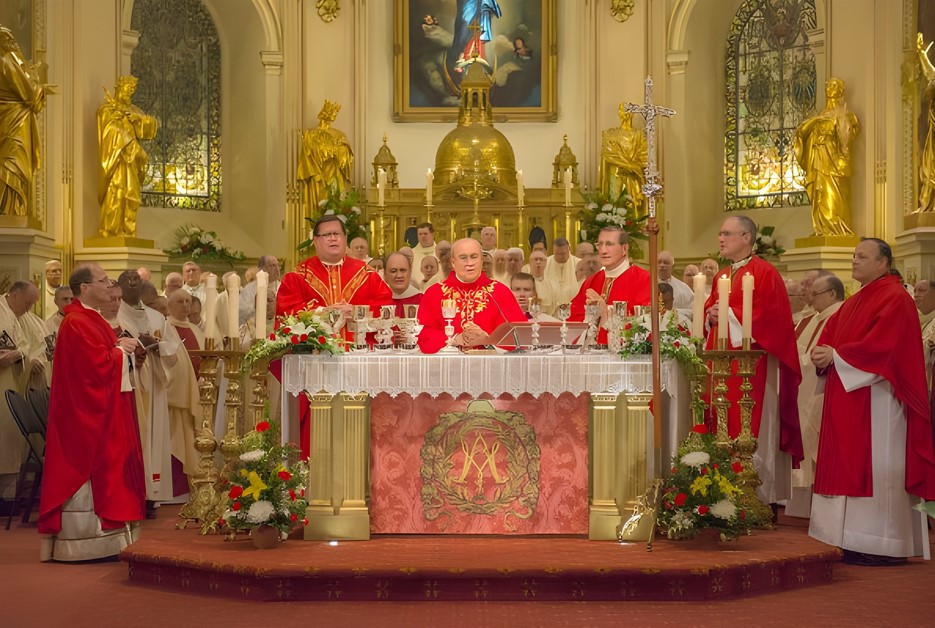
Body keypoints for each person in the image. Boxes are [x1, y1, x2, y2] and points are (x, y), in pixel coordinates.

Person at [808, 239, 935, 565]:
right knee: (850, 465)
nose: (854, 261)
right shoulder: (855, 301)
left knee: (877, 468)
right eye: (853, 255)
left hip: (880, 399)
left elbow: (886, 348)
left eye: (862, 256)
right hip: (849, 395)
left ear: (883, 262)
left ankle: (884, 545)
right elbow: (831, 337)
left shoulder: (896, 298)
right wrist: (823, 354)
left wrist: (837, 356)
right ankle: (850, 539)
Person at [38, 264, 145, 561]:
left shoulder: (92, 318)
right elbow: (93, 369)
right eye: (103, 281)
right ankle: (87, 544)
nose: (109, 286)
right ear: (84, 287)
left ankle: (112, 539)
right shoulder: (75, 322)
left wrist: (120, 348)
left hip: (100, 409)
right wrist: (120, 351)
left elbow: (101, 357)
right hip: (83, 415)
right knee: (93, 469)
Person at [704, 215, 803, 505]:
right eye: (720, 233)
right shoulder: (721, 276)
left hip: (753, 366)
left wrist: (727, 313)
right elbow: (709, 310)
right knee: (721, 419)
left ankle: (757, 495)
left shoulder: (765, 273)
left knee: (751, 420)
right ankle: (721, 489)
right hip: (721, 362)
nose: (721, 238)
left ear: (747, 237)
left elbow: (771, 319)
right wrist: (710, 315)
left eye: (727, 233)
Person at [785, 274, 845, 518]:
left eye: (815, 293)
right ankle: (801, 505)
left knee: (820, 446)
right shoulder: (809, 320)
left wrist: (800, 359)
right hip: (803, 391)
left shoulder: (842, 316)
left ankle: (824, 507)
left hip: (824, 391)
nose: (810, 298)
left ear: (832, 294)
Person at [277, 215, 393, 336]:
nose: (333, 238)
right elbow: (286, 312)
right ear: (315, 241)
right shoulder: (298, 276)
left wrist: (356, 311)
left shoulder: (367, 274)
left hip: (358, 345)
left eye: (337, 234)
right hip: (315, 346)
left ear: (345, 238)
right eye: (327, 235)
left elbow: (386, 309)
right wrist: (322, 312)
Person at [116, 270, 173, 507]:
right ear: (118, 286)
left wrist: (157, 346)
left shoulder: (156, 317)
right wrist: (136, 349)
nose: (132, 283)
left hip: (154, 382)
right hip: (128, 383)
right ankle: (132, 492)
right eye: (127, 280)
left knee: (153, 435)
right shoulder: (113, 314)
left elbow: (173, 350)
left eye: (136, 280)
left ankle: (151, 494)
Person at [418, 238, 525, 353]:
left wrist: (487, 341)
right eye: (463, 257)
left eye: (474, 257)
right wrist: (454, 339)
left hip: (490, 363)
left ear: (481, 260)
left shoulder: (500, 292)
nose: (469, 263)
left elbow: (520, 337)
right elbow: (423, 334)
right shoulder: (434, 293)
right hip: (447, 362)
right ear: (453, 262)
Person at [0, 280, 49, 500]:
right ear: (14, 295)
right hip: (4, 383)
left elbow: (22, 347)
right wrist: (21, 356)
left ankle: (10, 497)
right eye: (27, 303)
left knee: (10, 438)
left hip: (12, 383)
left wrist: (24, 357)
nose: (29, 309)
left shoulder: (15, 316)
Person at [793, 78, 860, 236]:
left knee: (834, 195)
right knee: (819, 194)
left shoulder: (846, 115)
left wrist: (840, 126)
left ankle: (836, 229)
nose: (830, 88)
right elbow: (801, 134)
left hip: (834, 163)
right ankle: (821, 229)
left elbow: (848, 138)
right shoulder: (818, 118)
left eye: (835, 86)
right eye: (828, 86)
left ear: (841, 91)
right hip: (818, 161)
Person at [96, 75, 158, 237]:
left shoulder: (134, 110)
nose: (130, 93)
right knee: (116, 193)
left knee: (131, 195)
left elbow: (149, 128)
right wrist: (130, 144)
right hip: (117, 161)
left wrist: (138, 120)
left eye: (132, 91)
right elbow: (108, 132)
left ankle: (129, 231)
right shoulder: (107, 109)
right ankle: (111, 230)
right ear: (118, 88)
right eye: (127, 89)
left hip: (132, 162)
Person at [570, 226, 651, 344]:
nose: (603, 250)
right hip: (590, 352)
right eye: (600, 244)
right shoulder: (591, 281)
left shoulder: (643, 280)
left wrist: (605, 312)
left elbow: (642, 325)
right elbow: (573, 318)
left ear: (624, 248)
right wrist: (590, 317)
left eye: (609, 244)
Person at [0, 27, 45, 219]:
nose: (15, 44)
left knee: (9, 165)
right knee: (13, 168)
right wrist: (37, 80)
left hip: (7, 123)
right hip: (16, 125)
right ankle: (12, 212)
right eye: (10, 40)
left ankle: (9, 211)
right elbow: (31, 96)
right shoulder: (7, 61)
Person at [162, 290, 202, 501]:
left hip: (197, 394)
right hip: (173, 400)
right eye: (180, 301)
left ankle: (190, 489)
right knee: (173, 443)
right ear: (169, 305)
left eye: (188, 301)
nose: (185, 305)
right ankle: (173, 492)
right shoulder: (165, 328)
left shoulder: (196, 330)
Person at [297, 100, 353, 216]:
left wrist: (338, 151)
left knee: (336, 203)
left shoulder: (338, 135)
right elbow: (306, 155)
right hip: (318, 175)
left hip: (334, 173)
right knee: (319, 205)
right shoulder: (310, 134)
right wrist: (315, 173)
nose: (329, 116)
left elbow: (345, 154)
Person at [599, 106, 647, 214]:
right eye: (621, 110)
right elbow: (608, 154)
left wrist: (634, 167)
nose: (625, 113)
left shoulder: (638, 135)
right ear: (619, 113)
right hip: (616, 175)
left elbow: (644, 156)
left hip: (633, 176)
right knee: (615, 206)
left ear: (632, 113)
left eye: (627, 110)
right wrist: (629, 164)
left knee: (632, 209)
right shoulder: (611, 134)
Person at [916, 33, 935, 213]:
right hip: (932, 142)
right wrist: (921, 53)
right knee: (929, 167)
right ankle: (930, 203)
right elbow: (930, 73)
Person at [239, 255, 282, 326]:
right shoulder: (250, 290)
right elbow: (243, 313)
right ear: (263, 268)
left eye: (278, 265)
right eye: (273, 266)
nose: (277, 269)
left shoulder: (282, 287)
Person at [658, 250, 694, 320]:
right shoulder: (646, 285)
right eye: (659, 262)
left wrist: (674, 312)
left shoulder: (683, 289)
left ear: (673, 267)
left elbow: (694, 311)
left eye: (666, 262)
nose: (662, 265)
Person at [545, 237, 581, 305]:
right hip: (551, 308)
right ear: (553, 251)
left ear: (569, 250)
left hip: (573, 306)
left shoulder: (579, 264)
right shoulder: (545, 264)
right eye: (557, 253)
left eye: (563, 254)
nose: (560, 257)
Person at [385, 251, 422, 316]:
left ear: (410, 272)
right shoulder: (378, 301)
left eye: (403, 270)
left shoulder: (422, 300)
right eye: (393, 271)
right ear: (385, 274)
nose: (399, 275)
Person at [527, 249, 557, 316]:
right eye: (535, 259)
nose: (538, 262)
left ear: (545, 263)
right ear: (530, 262)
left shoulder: (551, 285)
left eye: (541, 259)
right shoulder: (525, 283)